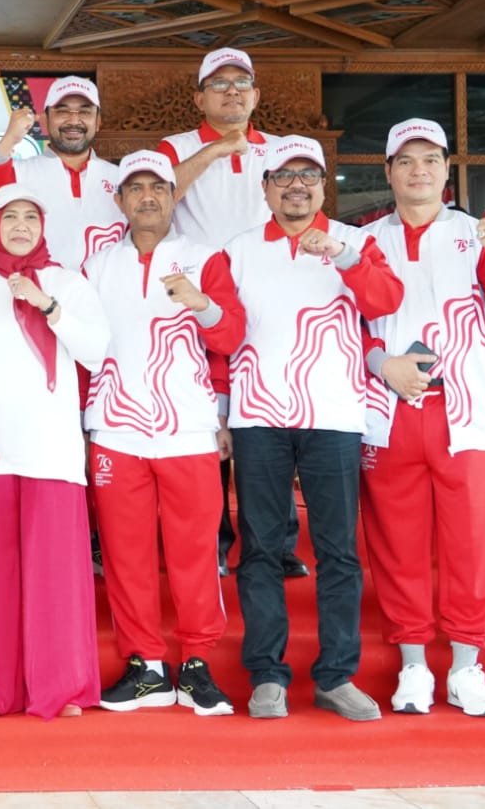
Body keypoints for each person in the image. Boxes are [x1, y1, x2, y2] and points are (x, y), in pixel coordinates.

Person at [204, 135, 404, 722]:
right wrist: (221, 410)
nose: (296, 185)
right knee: (262, 549)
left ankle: (336, 676)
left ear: (324, 185)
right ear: (265, 189)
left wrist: (343, 257)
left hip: (335, 416)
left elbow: (387, 301)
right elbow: (221, 340)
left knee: (338, 552)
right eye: (283, 176)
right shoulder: (235, 251)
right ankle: (267, 675)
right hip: (259, 416)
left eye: (308, 175)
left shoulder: (357, 243)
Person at [359, 119, 485, 718]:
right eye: (405, 160)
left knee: (471, 543)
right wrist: (382, 363)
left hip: (466, 410)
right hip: (388, 412)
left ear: (445, 169)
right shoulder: (362, 240)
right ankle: (413, 665)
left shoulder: (477, 234)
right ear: (387, 172)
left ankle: (467, 665)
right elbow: (344, 325)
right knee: (397, 543)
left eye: (430, 160)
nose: (419, 171)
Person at [83, 150, 244, 717]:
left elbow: (231, 337)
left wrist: (201, 306)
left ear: (175, 197)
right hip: (116, 427)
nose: (147, 197)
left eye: (159, 187)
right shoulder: (96, 265)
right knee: (125, 554)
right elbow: (83, 350)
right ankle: (145, 666)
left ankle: (197, 663)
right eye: (136, 188)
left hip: (187, 430)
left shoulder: (204, 259)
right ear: (121, 200)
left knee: (195, 552)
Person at [0, 185, 107, 719]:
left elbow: (96, 350)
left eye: (29, 217)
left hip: (51, 448)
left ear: (43, 226)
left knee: (55, 574)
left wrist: (49, 305)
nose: (19, 226)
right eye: (8, 216)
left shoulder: (67, 283)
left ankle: (59, 688)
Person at [158, 48, 302, 580]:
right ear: (199, 96)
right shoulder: (177, 147)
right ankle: (217, 538)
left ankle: (279, 542)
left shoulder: (284, 151)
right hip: (201, 302)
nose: (232, 91)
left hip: (271, 298)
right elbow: (160, 197)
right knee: (210, 422)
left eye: (242, 82)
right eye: (219, 84)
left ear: (257, 95)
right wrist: (218, 149)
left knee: (273, 414)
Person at [0, 76, 123, 271]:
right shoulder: (19, 173)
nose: (74, 120)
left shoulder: (123, 178)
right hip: (34, 296)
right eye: (62, 111)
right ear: (45, 119)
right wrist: (8, 140)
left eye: (85, 111)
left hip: (104, 299)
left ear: (98, 121)